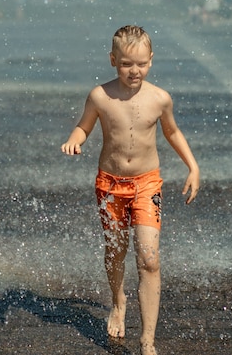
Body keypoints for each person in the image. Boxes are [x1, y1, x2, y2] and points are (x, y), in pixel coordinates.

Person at [61, 25, 200, 355]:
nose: (133, 71)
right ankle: (118, 301)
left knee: (149, 259)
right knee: (116, 251)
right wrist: (74, 140)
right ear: (113, 60)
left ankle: (148, 339)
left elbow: (173, 133)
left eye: (140, 64)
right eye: (125, 64)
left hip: (146, 184)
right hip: (109, 185)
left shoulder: (159, 99)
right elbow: (84, 126)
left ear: (151, 60)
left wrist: (193, 166)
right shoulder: (100, 96)